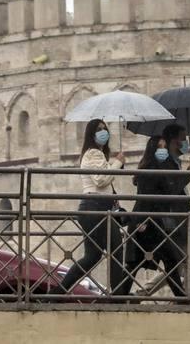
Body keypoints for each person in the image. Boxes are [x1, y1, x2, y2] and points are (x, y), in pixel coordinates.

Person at [57, 119, 131, 297]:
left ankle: (59, 291)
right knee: (116, 249)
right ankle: (119, 295)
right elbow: (100, 179)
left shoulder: (97, 154)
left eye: (105, 129)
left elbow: (103, 182)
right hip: (95, 209)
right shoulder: (92, 154)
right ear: (91, 133)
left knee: (92, 257)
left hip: (93, 209)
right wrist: (118, 163)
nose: (103, 132)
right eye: (99, 129)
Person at [124, 124, 190, 298]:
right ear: (152, 150)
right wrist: (142, 220)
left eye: (164, 147)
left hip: (154, 223)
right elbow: (147, 198)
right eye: (159, 148)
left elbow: (167, 192)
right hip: (146, 223)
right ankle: (119, 294)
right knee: (138, 263)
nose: (163, 150)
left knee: (168, 260)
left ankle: (181, 297)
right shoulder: (149, 170)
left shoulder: (158, 169)